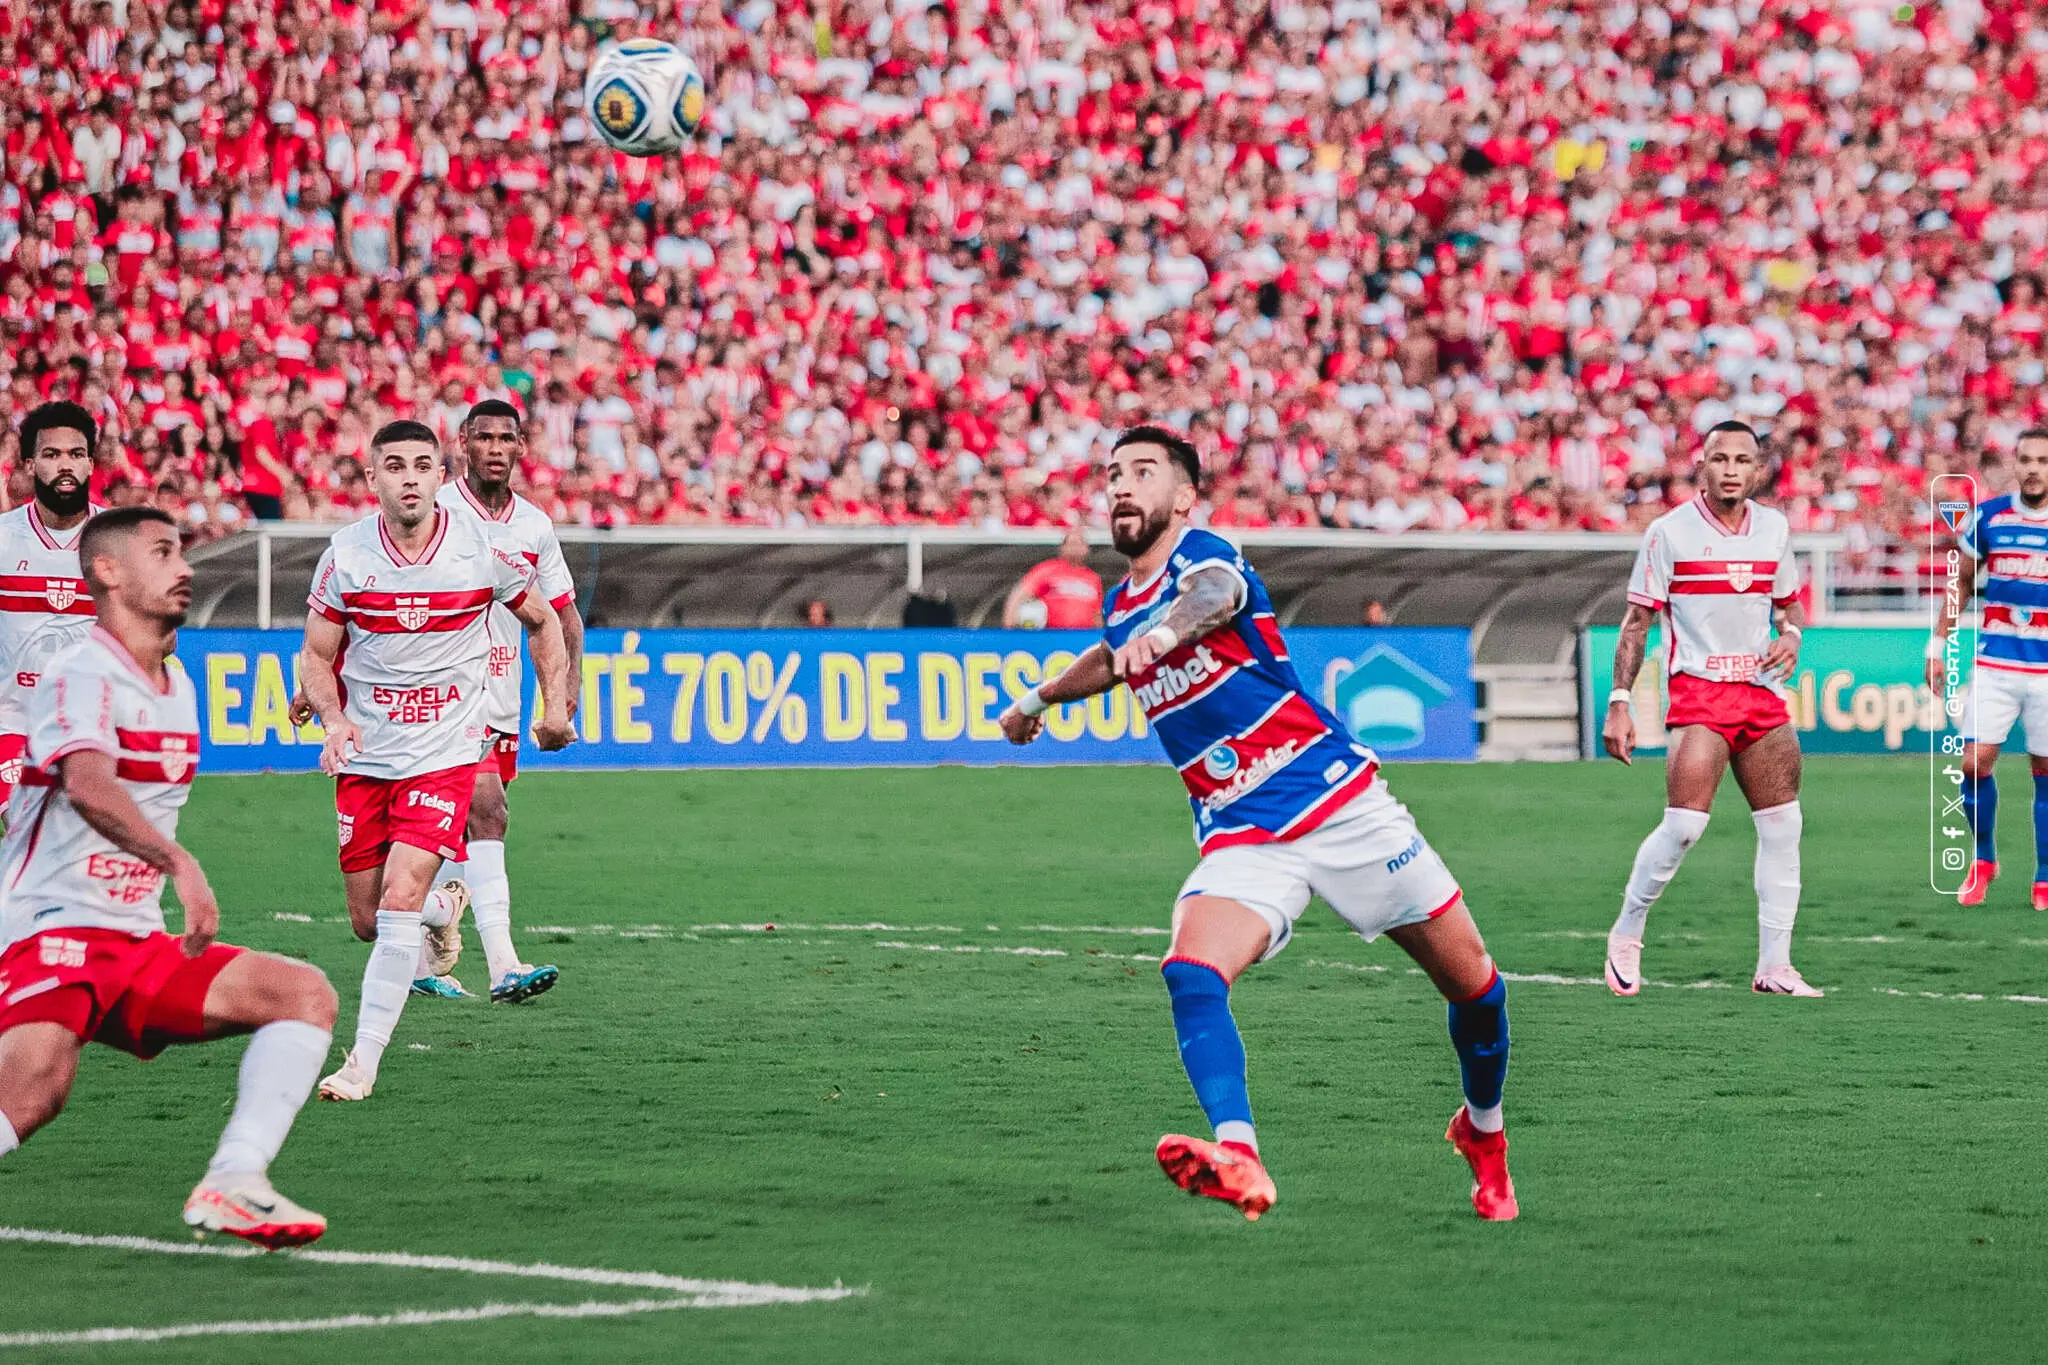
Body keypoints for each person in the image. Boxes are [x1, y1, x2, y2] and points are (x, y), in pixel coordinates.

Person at [999, 427, 1516, 1223]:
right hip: (1239, 827)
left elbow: (1215, 600)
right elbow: (1111, 655)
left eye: (1143, 472)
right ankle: (1238, 1151)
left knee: (1474, 986)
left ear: (1182, 497)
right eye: (1112, 475)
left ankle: (1483, 1132)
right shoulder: (1121, 604)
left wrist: (1165, 635)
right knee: (1190, 971)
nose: (1121, 487)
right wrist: (1037, 701)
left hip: (1335, 798)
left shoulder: (1206, 555)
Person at [0, 507, 339, 1247]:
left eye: (182, 552)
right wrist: (179, 862)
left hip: (134, 941)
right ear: (108, 571)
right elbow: (88, 784)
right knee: (32, 1092)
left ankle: (235, 1181)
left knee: (303, 993)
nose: (184, 567)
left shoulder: (177, 683)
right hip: (50, 926)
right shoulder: (77, 672)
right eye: (162, 553)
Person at [298, 421, 575, 1102]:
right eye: (395, 466)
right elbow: (316, 650)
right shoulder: (346, 556)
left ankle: (361, 1062)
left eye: (423, 464)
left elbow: (543, 620)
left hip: (447, 752)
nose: (412, 477)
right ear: (374, 478)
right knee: (369, 919)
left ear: (438, 471)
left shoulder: (480, 549)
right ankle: (440, 913)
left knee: (397, 898)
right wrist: (330, 716)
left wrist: (557, 704)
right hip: (368, 755)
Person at [1601, 420, 1814, 996]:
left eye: (1742, 461)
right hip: (1700, 691)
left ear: (1757, 470)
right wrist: (1619, 701)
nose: (1730, 470)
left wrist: (1791, 639)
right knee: (1686, 825)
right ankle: (1627, 929)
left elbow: (1790, 611)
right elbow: (1636, 622)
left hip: (1761, 690)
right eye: (1720, 459)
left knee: (1783, 825)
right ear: (1702, 464)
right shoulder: (1670, 533)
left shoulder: (1773, 528)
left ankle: (1775, 966)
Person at [433, 400, 582, 1002]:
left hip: (501, 700)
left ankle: (425, 943)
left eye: (506, 438)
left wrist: (563, 699)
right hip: (440, 697)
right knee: (488, 814)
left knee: (452, 833)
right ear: (464, 443)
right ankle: (503, 966)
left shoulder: (534, 527)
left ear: (522, 447)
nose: (495, 448)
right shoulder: (436, 511)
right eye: (484, 437)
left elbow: (564, 616)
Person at [1929, 430, 2048, 906]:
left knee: (2044, 770)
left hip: (2045, 671)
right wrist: (1936, 646)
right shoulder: (1990, 517)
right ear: (2014, 465)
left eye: (2043, 459)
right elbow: (1960, 582)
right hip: (1995, 664)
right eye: (2026, 459)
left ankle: (2044, 874)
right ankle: (1983, 860)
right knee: (1973, 762)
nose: (2034, 468)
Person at [0, 403, 104, 808]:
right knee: (27, 824)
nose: (66, 465)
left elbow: (155, 637)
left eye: (76, 455)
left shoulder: (118, 542)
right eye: (51, 454)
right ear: (30, 465)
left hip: (90, 729)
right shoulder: (5, 539)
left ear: (91, 464)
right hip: (12, 722)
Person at [1002, 524, 1103, 629]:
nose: (1076, 548)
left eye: (1080, 544)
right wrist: (1009, 626)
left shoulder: (1093, 578)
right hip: (1053, 635)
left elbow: (1097, 613)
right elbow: (1020, 594)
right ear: (1063, 548)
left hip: (1084, 636)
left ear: (1087, 548)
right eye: (1072, 544)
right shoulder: (1047, 570)